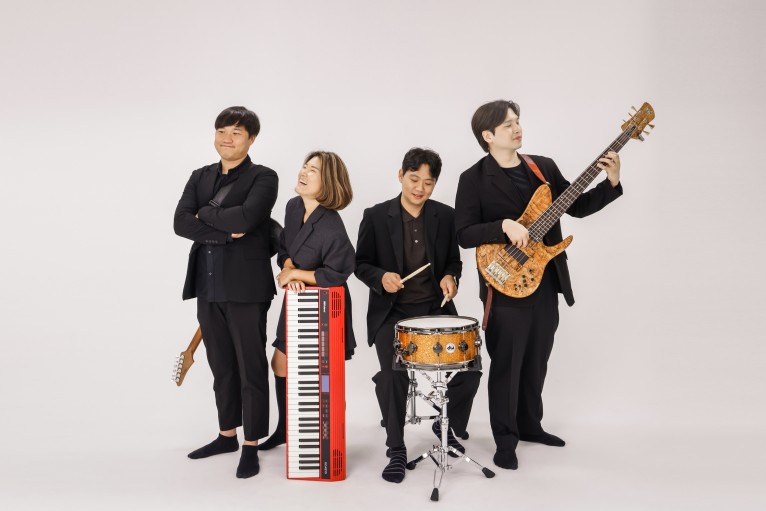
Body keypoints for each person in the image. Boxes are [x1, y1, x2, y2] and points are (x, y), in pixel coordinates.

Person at [454, 99, 623, 470]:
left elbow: (576, 206)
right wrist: (503, 226)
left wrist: (611, 182)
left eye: (517, 121)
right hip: (504, 283)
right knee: (507, 363)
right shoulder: (473, 179)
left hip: (545, 280)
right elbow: (463, 233)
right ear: (488, 135)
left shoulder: (542, 167)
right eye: (508, 125)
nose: (517, 129)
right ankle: (505, 440)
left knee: (536, 359)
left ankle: (530, 425)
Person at [355, 147, 482, 483]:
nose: (420, 188)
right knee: (394, 375)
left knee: (471, 369)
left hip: (434, 309)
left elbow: (453, 261)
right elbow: (360, 263)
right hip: (392, 312)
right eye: (414, 179)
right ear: (401, 175)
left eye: (428, 182)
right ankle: (396, 448)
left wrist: (450, 277)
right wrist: (381, 277)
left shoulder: (445, 216)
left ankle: (446, 426)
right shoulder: (375, 216)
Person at [174, 106, 278, 478]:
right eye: (221, 131)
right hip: (207, 283)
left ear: (251, 139)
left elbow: (247, 218)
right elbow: (180, 222)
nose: (227, 139)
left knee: (251, 366)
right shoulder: (199, 176)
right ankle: (227, 435)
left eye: (236, 133)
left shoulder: (264, 177)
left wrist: (203, 215)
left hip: (247, 287)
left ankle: (251, 443)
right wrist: (224, 233)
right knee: (221, 365)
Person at [259, 151, 356, 451]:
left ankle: (327, 439)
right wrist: (290, 268)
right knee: (280, 362)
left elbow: (338, 273)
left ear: (328, 182)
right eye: (305, 166)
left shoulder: (332, 225)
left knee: (322, 377)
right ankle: (285, 429)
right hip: (297, 297)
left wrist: (298, 274)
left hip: (327, 304)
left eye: (313, 170)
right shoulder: (293, 206)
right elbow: (284, 247)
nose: (304, 172)